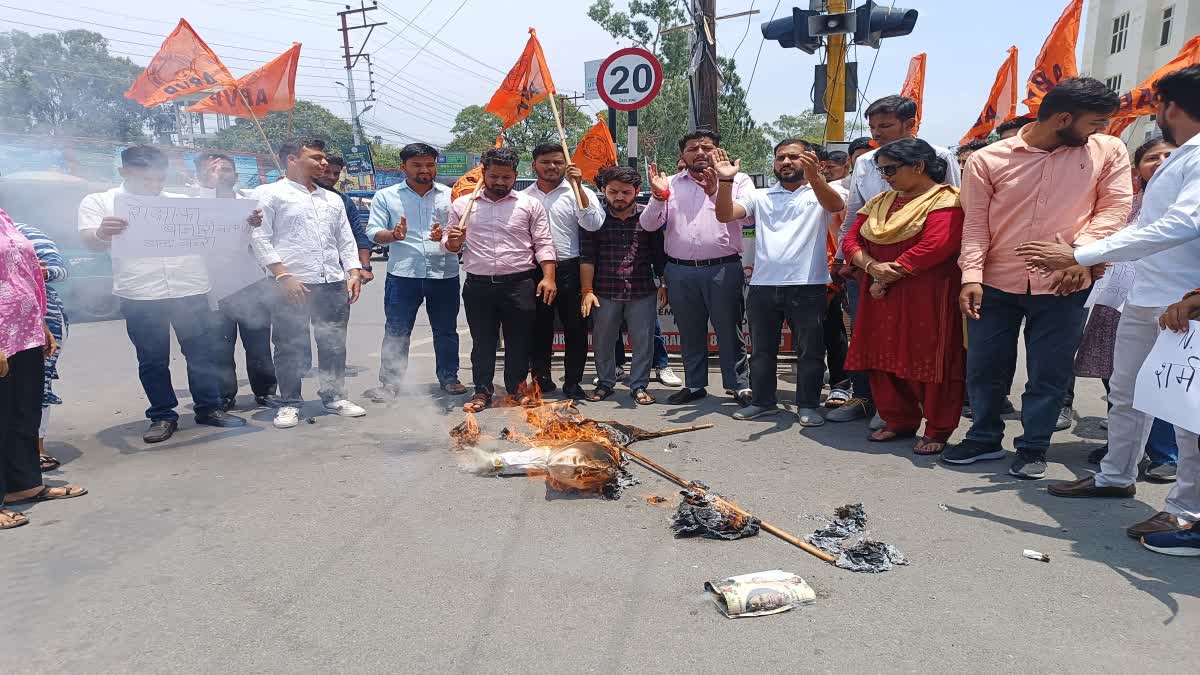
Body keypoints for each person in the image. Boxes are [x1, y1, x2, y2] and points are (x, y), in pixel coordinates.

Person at [1015, 66, 1200, 550]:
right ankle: (1115, 474)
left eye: (1158, 106)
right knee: (1126, 392)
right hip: (1148, 295)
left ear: (1171, 108)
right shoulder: (1184, 156)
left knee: (1184, 412)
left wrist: (1079, 254)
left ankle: (1187, 513)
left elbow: (1180, 226)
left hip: (1184, 304)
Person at [946, 77, 1132, 480]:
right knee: (984, 367)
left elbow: (1115, 209)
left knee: (1049, 372)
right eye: (1095, 123)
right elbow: (976, 224)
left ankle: (1033, 447)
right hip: (995, 282)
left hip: (1067, 285)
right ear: (1064, 118)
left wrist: (1080, 256)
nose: (1101, 130)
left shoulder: (1108, 151)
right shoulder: (988, 160)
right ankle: (983, 438)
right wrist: (971, 275)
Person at [79, 145, 246, 443]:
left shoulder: (181, 202)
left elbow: (220, 227)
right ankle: (162, 415)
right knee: (153, 359)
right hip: (140, 292)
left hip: (190, 288)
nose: (154, 186)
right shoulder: (101, 202)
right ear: (124, 172)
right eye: (145, 179)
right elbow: (90, 240)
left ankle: (209, 408)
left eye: (159, 179)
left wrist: (248, 220)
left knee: (201, 354)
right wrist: (103, 233)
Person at [831, 96, 962, 426]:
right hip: (874, 280)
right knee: (880, 351)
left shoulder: (943, 179)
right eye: (872, 127)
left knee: (929, 354)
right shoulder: (877, 191)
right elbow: (851, 231)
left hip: (924, 284)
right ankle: (894, 416)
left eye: (885, 126)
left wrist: (894, 271)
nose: (884, 175)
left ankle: (936, 425)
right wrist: (869, 267)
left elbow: (942, 237)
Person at [713, 139, 844, 426]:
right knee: (761, 351)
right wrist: (725, 181)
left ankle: (808, 405)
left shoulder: (822, 192)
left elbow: (836, 206)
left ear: (811, 161)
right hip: (762, 287)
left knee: (810, 351)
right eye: (779, 157)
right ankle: (763, 402)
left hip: (809, 286)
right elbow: (724, 215)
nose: (785, 162)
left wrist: (815, 178)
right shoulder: (760, 196)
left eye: (793, 157)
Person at [1071, 138, 1179, 480]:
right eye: (1152, 157)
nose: (1160, 161)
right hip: (1116, 302)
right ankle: (1122, 451)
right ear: (1137, 169)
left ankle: (1165, 453)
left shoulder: (1187, 207)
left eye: (1169, 155)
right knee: (1119, 381)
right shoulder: (1128, 205)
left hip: (1174, 307)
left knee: (1165, 379)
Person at [251, 139, 366, 429]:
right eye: (316, 158)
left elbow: (345, 239)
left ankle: (334, 395)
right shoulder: (269, 194)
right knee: (290, 345)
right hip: (291, 283)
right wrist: (282, 275)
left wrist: (353, 271)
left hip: (332, 282)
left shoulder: (332, 199)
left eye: (324, 158)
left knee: (333, 343)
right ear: (292, 159)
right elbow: (259, 237)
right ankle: (289, 402)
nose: (324, 163)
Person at [641, 130, 752, 406]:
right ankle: (694, 384)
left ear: (718, 151)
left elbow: (742, 213)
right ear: (682, 156)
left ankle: (739, 385)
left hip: (722, 267)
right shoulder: (669, 184)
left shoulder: (738, 180)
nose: (700, 152)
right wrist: (658, 196)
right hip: (679, 270)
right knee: (689, 330)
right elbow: (648, 225)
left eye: (707, 147)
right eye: (693, 148)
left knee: (729, 328)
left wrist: (718, 190)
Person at [444, 147, 556, 412]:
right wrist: (453, 242)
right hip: (478, 285)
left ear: (515, 175)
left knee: (520, 341)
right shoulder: (463, 205)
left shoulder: (529, 205)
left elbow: (544, 242)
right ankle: (482, 390)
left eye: (506, 177)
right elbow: (451, 246)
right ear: (484, 174)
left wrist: (549, 277)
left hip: (519, 284)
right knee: (483, 341)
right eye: (494, 176)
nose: (500, 182)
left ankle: (517, 389)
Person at [2, 207, 86, 530]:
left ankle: (24, 483)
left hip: (23, 329)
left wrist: (40, 323)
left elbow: (25, 272)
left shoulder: (5, 219)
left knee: (22, 410)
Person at [363, 143, 465, 400]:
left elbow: (460, 232)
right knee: (397, 330)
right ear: (403, 167)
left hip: (444, 273)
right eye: (417, 165)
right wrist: (393, 235)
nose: (425, 170)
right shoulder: (386, 196)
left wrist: (447, 236)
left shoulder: (450, 195)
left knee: (446, 329)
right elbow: (373, 231)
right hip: (403, 275)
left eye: (430, 164)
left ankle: (449, 377)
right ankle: (390, 383)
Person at [194, 153, 279, 411]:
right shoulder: (192, 205)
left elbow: (266, 242)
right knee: (219, 347)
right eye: (213, 170)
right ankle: (225, 395)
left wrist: (255, 226)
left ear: (236, 175)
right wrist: (209, 190)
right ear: (200, 176)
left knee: (259, 346)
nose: (221, 174)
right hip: (212, 287)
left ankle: (266, 392)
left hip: (252, 283)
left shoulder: (251, 205)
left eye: (226, 169)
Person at [522, 143, 604, 400]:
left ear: (566, 163)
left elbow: (594, 224)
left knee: (576, 328)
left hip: (572, 268)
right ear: (534, 164)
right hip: (533, 269)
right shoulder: (525, 197)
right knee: (538, 327)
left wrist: (579, 186)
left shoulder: (579, 191)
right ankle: (541, 379)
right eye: (545, 162)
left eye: (557, 162)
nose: (552, 167)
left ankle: (572, 382)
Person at [581, 166, 660, 405]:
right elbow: (587, 256)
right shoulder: (595, 219)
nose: (619, 197)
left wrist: (664, 284)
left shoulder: (648, 217)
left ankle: (639, 385)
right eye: (613, 191)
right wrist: (587, 291)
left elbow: (659, 254)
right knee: (603, 340)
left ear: (636, 191)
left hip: (642, 290)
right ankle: (605, 383)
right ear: (603, 190)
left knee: (643, 341)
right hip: (604, 290)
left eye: (625, 192)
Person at [12, 222, 67, 472]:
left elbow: (59, 270)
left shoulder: (23, 232)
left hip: (38, 318)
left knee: (36, 383)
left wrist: (36, 273)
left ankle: (36, 447)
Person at [317, 155, 374, 286]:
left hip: (334, 271)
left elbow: (357, 234)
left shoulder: (343, 201)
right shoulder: (297, 197)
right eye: (326, 172)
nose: (331, 177)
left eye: (336, 173)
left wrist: (365, 267)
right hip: (298, 276)